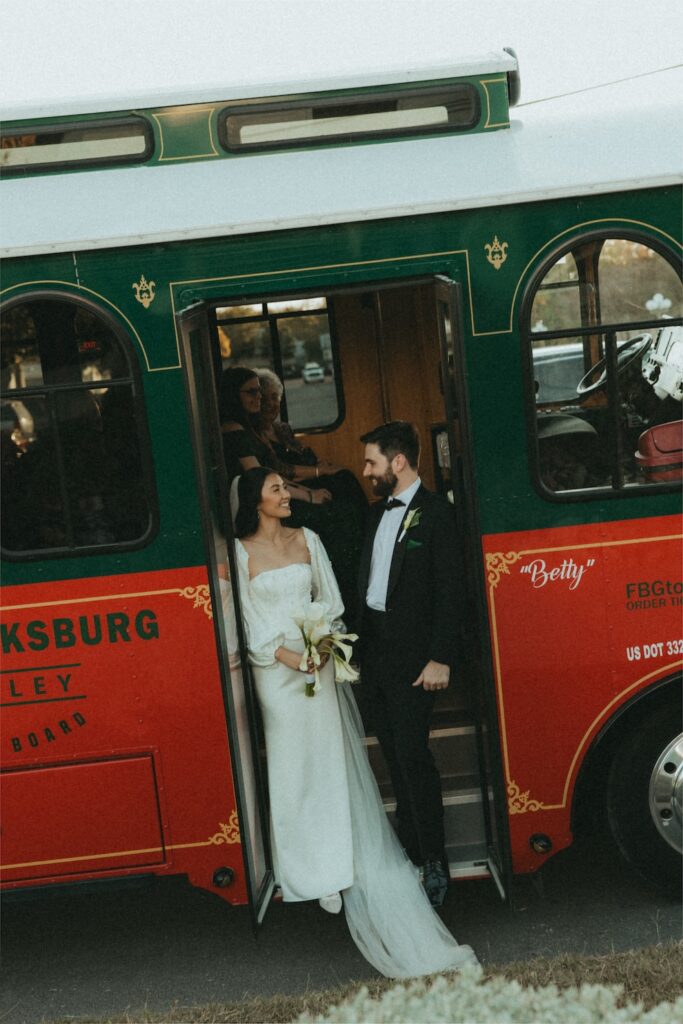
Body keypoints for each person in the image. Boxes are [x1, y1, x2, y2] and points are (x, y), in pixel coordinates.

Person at [232, 466, 477, 978]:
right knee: (294, 767)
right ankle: (310, 871)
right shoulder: (240, 553)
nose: (286, 494)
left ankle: (344, 861)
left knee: (331, 762)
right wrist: (287, 657)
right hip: (275, 675)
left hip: (319, 663)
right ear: (255, 501)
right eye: (276, 488)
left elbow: (333, 601)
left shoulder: (309, 538)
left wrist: (320, 647)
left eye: (284, 486)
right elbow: (248, 624)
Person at [357, 421, 464, 908]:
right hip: (375, 657)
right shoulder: (376, 512)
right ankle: (410, 851)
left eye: (371, 462)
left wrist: (441, 656)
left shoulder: (437, 513)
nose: (366, 470)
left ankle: (435, 861)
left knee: (414, 757)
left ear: (397, 462)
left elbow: (451, 590)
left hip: (416, 659)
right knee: (394, 756)